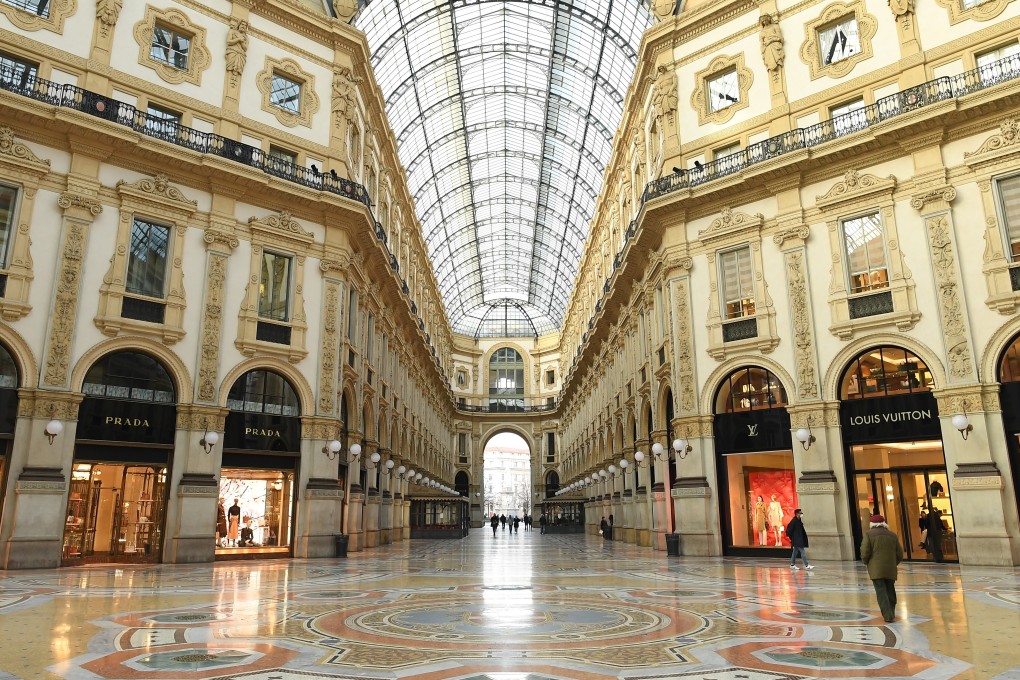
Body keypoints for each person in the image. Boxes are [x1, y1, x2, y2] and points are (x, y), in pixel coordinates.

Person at [860, 514, 904, 622]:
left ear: (872, 524)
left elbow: (865, 551)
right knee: (890, 590)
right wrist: (893, 563)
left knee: (881, 592)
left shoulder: (868, 534)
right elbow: (900, 553)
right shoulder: (892, 535)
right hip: (890, 568)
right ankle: (892, 612)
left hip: (876, 569)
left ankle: (888, 615)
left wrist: (866, 561)